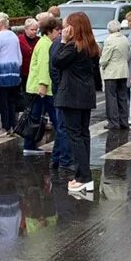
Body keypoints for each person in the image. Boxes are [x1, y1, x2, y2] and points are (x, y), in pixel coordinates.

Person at [52, 12, 99, 193]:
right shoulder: (91, 46)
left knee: (75, 137)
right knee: (83, 134)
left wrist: (63, 41)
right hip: (85, 94)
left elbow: (57, 61)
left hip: (71, 95)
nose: (64, 30)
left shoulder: (72, 47)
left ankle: (84, 177)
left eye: (66, 26)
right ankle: (83, 175)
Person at [23, 17, 60, 156]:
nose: (59, 32)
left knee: (35, 116)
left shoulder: (43, 42)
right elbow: (44, 66)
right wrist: (43, 85)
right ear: (49, 30)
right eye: (57, 30)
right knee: (50, 117)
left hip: (37, 86)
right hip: (42, 87)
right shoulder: (46, 44)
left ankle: (29, 144)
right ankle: (31, 145)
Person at [0, 12, 22, 136]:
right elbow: (19, 57)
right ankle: (12, 125)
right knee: (11, 101)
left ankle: (5, 127)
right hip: (14, 72)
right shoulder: (14, 35)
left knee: (3, 102)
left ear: (0, 23)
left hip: (2, 73)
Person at [49, 27, 74, 172]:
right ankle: (64, 159)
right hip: (61, 90)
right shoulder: (59, 44)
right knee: (63, 126)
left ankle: (57, 158)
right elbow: (54, 68)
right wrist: (60, 87)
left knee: (62, 126)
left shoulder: (58, 43)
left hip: (61, 90)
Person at [100, 20, 130, 130]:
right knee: (122, 97)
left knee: (111, 97)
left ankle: (113, 122)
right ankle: (124, 120)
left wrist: (101, 63)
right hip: (123, 70)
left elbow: (105, 58)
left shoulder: (110, 40)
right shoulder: (124, 39)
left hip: (112, 72)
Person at [19, 18, 40, 90]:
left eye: (36, 30)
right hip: (24, 73)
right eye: (32, 29)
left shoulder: (39, 40)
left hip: (36, 72)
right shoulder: (19, 40)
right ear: (26, 29)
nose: (34, 32)